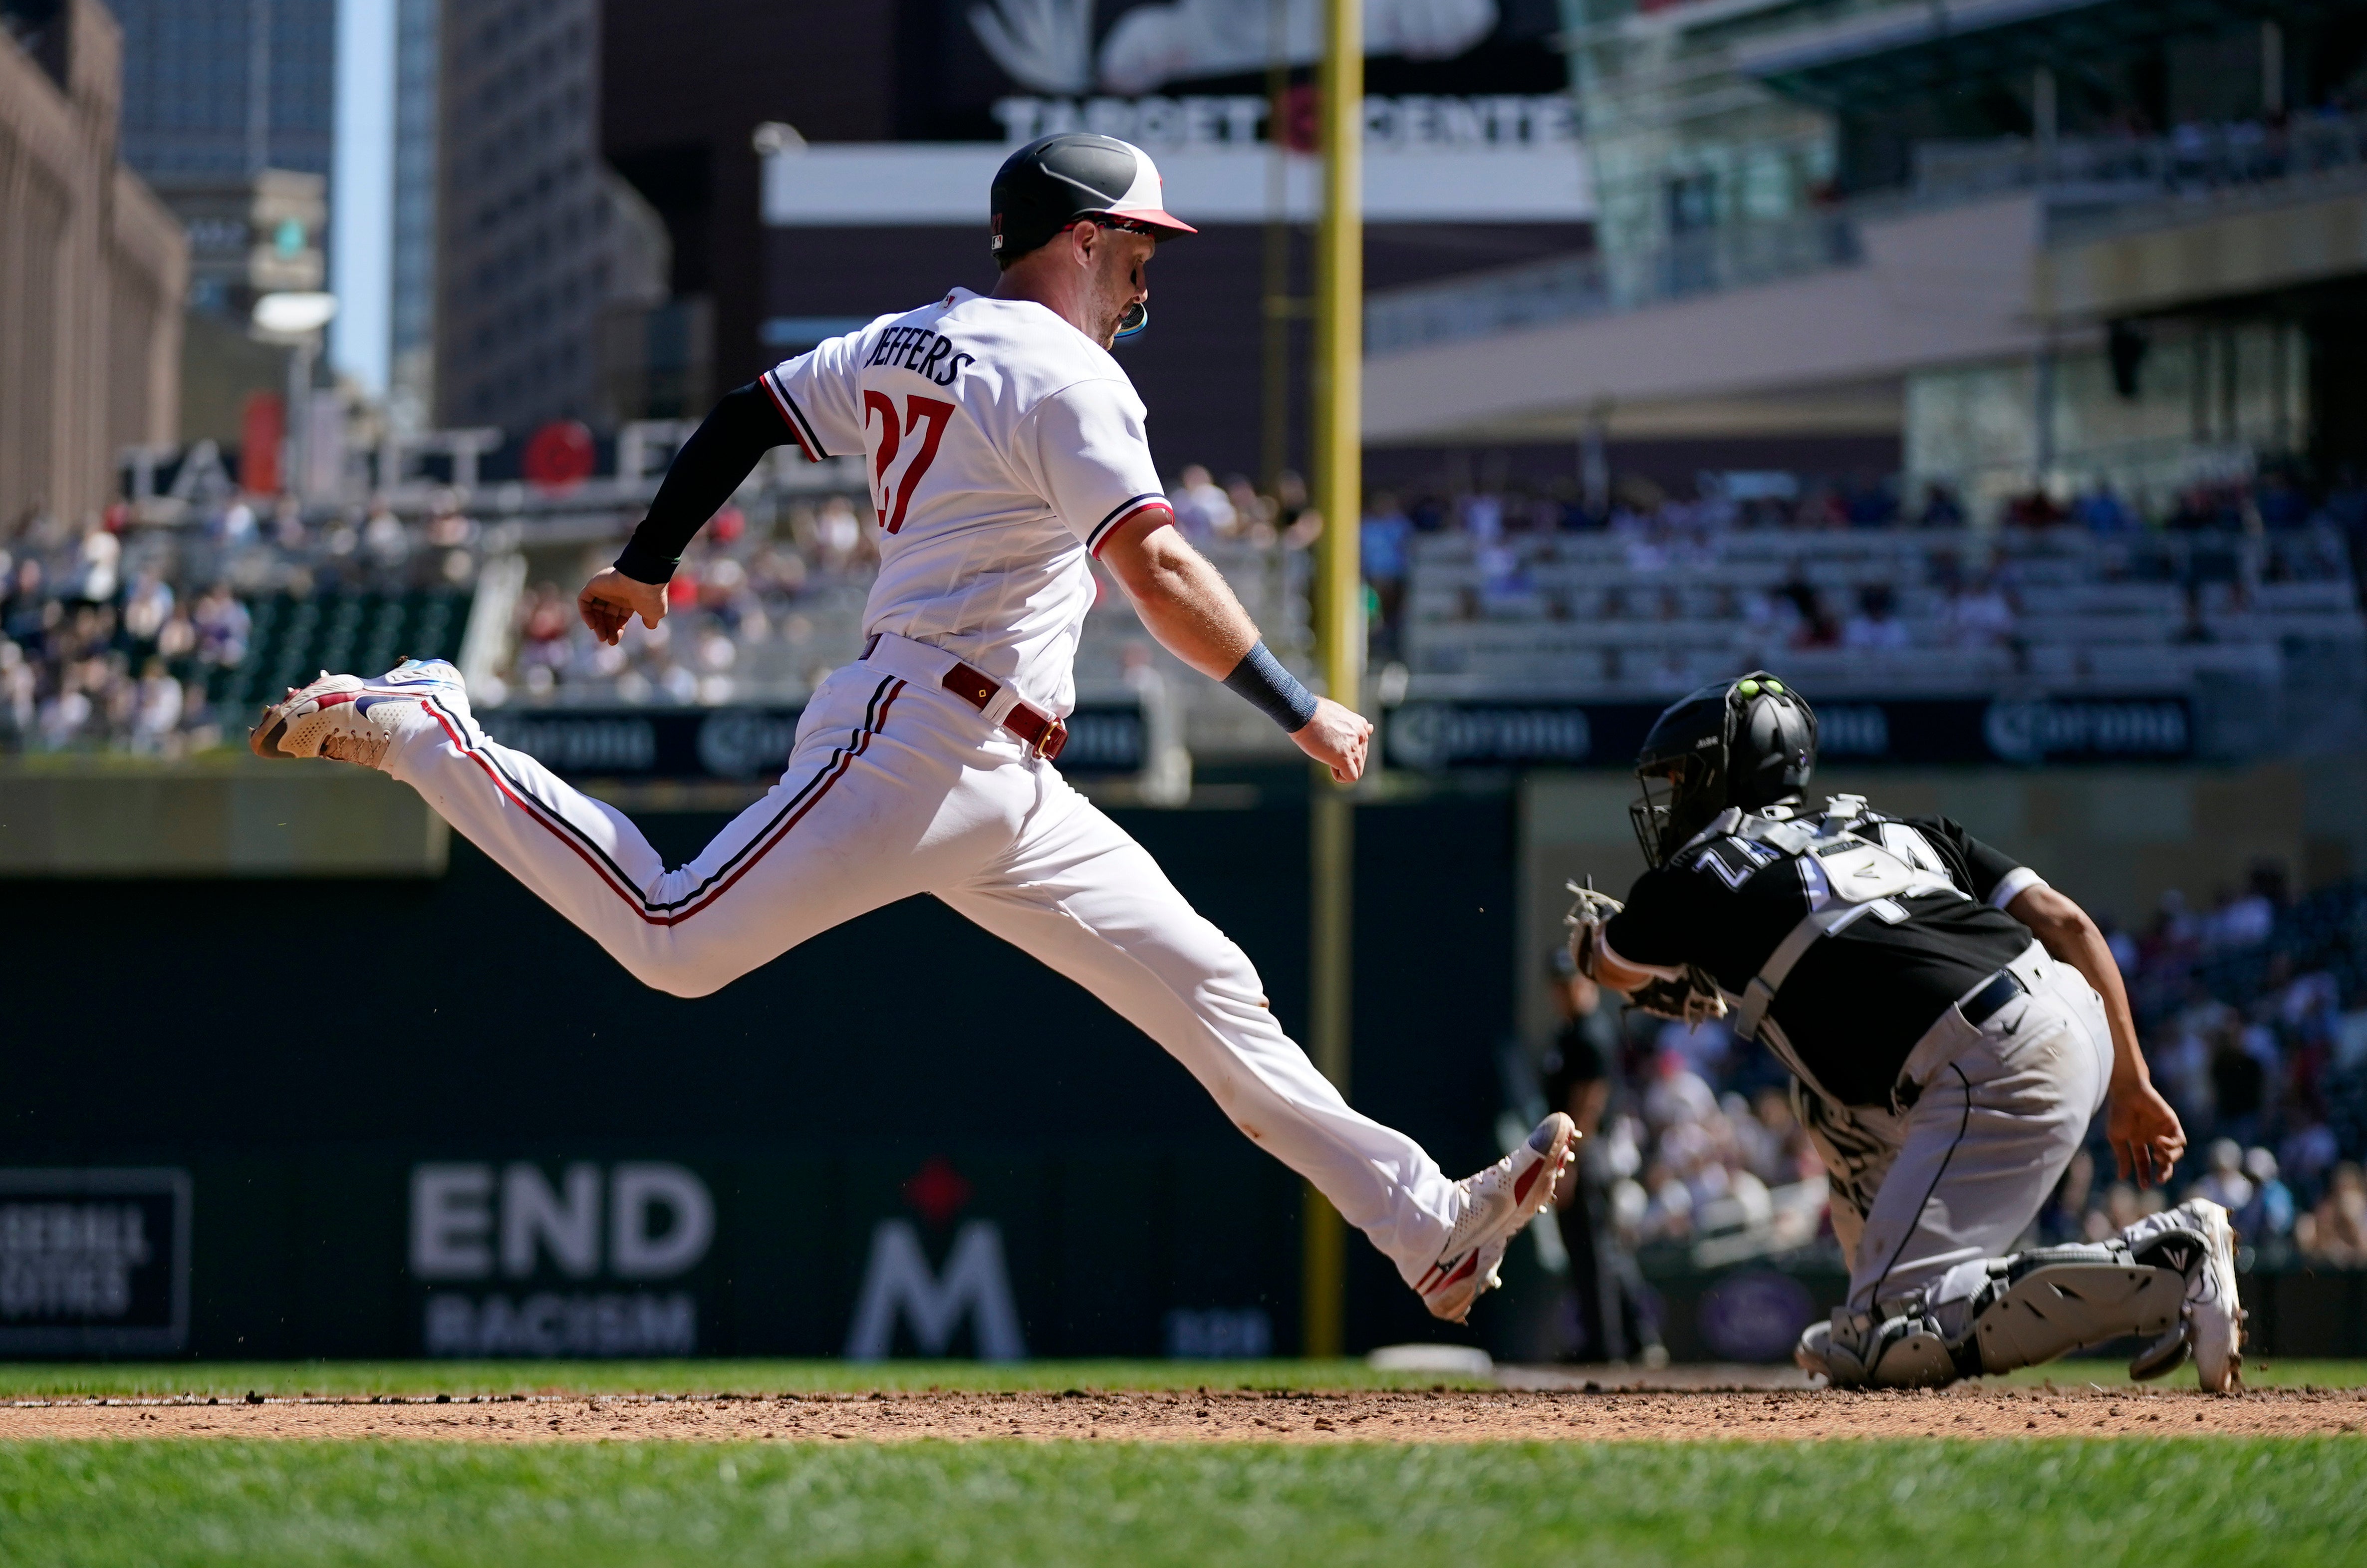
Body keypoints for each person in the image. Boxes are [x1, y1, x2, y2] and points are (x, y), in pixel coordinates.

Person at [244, 132, 1572, 1326]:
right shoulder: (1065, 376)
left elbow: (743, 418)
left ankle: (1423, 1226)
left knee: (1212, 990)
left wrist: (649, 558)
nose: (1144, 282)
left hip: (1007, 778)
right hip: (915, 736)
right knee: (671, 941)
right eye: (1138, 251)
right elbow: (1158, 574)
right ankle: (431, 727)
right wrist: (1296, 704)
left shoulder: (902, 334)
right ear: (1085, 237)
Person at [1564, 671, 2245, 1391]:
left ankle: (2165, 1265)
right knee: (1825, 1101)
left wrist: (1589, 946)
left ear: (1716, 773)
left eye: (1678, 777)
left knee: (1890, 1344)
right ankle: (1881, 1304)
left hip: (1987, 1057)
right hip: (2060, 1009)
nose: (1668, 801)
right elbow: (2066, 921)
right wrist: (2130, 1081)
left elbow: (1609, 964)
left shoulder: (1700, 870)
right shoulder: (1898, 828)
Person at [1538, 945, 1665, 1366]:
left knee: (1592, 1250)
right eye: (1557, 986)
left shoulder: (1590, 1031)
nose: (1563, 993)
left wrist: (1568, 1164)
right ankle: (1634, 1339)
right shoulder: (1569, 1031)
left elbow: (1588, 1103)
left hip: (1587, 1153)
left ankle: (1606, 1346)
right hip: (1583, 1153)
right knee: (1601, 1251)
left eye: (1569, 983)